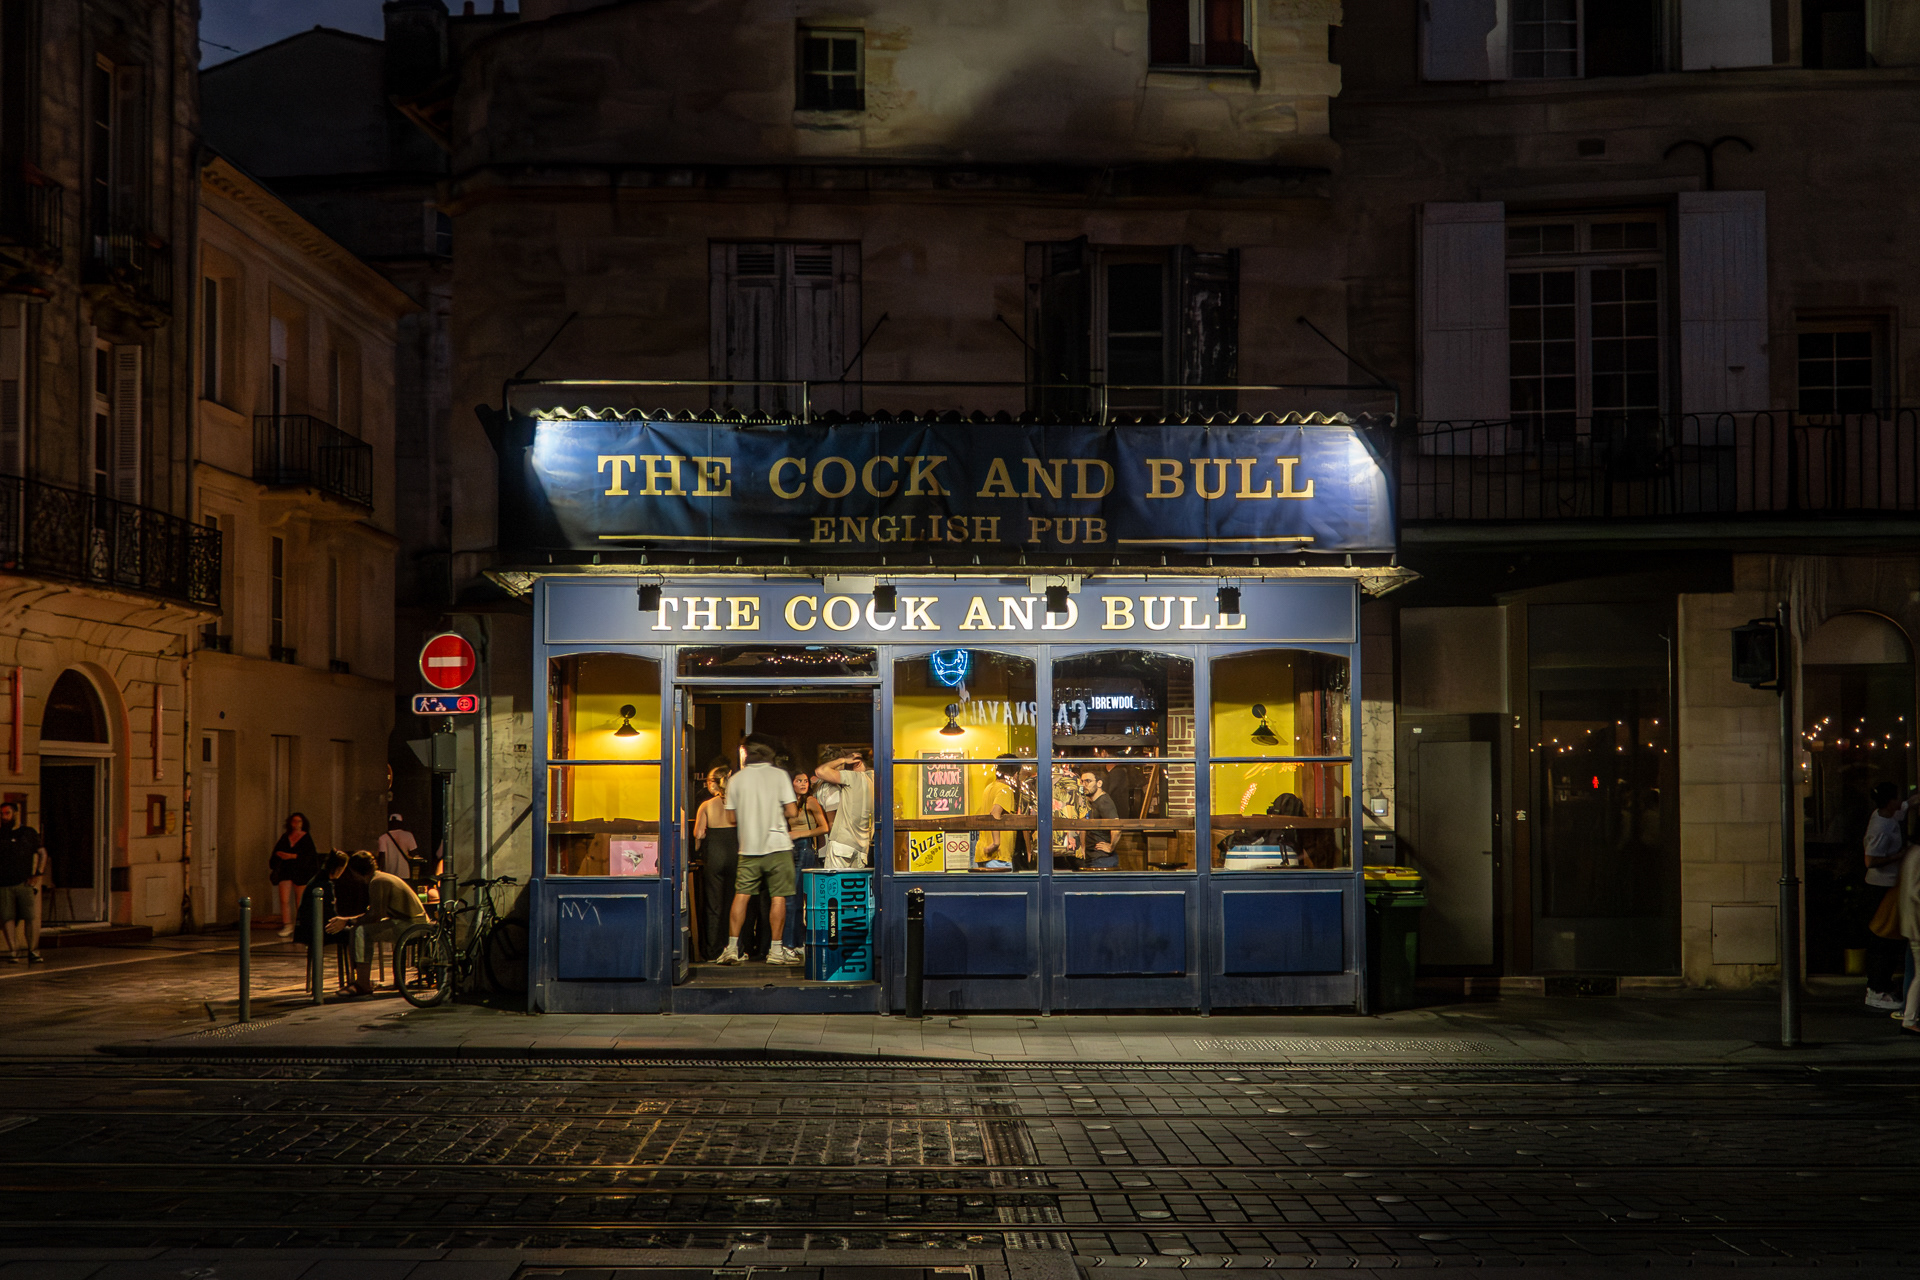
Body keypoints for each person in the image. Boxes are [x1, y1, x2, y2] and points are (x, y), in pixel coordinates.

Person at [720, 736, 799, 966]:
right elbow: (793, 811)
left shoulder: (735, 779)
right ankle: (775, 951)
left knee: (741, 895)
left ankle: (732, 948)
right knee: (778, 898)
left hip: (748, 848)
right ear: (769, 754)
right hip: (778, 847)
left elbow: (731, 817)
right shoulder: (779, 775)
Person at [324, 850, 428, 996]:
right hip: (407, 921)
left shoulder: (377, 882)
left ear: (355, 872)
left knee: (362, 932)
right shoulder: (380, 878)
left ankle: (362, 983)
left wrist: (348, 920)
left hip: (412, 925)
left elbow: (376, 914)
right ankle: (360, 979)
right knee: (358, 929)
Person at [1863, 782, 1911, 1012]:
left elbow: (1904, 808)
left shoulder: (1886, 815)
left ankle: (1881, 985)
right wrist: (1900, 855)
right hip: (1880, 887)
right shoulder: (1880, 826)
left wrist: (1910, 802)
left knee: (1887, 938)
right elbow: (1871, 861)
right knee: (1883, 939)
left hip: (1888, 885)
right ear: (1890, 801)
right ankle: (1876, 989)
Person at [782, 769, 829, 955]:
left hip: (804, 847)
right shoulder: (788, 802)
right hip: (788, 847)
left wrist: (799, 834)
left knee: (795, 896)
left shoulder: (811, 801)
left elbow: (824, 827)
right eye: (799, 780)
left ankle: (790, 944)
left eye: (806, 781)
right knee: (790, 895)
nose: (803, 784)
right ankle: (797, 941)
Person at [693, 763, 736, 961]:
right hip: (735, 853)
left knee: (713, 903)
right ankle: (734, 947)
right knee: (734, 902)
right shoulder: (738, 803)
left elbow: (698, 833)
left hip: (714, 855)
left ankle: (711, 951)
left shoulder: (707, 805)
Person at [0, 801, 46, 963]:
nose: (4, 817)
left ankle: (33, 950)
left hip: (24, 881)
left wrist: (38, 874)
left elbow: (42, 853)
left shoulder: (27, 833)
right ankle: (14, 950)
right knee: (7, 917)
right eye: (2, 814)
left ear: (15, 814)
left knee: (30, 916)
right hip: (4, 882)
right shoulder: (1, 835)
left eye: (7, 813)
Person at [814, 749, 874, 870]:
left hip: (842, 843)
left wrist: (843, 760)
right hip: (862, 847)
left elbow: (820, 771)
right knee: (855, 886)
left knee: (835, 885)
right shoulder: (875, 780)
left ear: (857, 763)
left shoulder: (855, 777)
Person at [268, 812, 319, 939]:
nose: (296, 824)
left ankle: (300, 924)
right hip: (285, 870)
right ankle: (287, 924)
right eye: (294, 821)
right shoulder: (286, 837)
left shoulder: (306, 838)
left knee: (299, 900)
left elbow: (309, 856)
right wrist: (281, 855)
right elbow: (277, 852)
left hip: (301, 871)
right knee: (284, 899)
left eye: (299, 821)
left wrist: (292, 856)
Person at [974, 754, 1023, 871]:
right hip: (998, 855)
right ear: (1015, 774)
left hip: (984, 853)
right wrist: (995, 844)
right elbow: (995, 813)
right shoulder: (1005, 790)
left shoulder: (989, 788)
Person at [1073, 767, 1121, 870]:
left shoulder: (1104, 802)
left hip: (1102, 859)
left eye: (1088, 781)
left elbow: (1117, 828)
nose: (1084, 784)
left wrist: (1111, 847)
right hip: (1092, 857)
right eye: (1082, 781)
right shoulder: (1089, 802)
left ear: (1099, 783)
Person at [376, 814, 418, 881]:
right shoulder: (408, 835)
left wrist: (379, 871)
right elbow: (413, 853)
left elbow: (382, 857)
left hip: (389, 873)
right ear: (401, 823)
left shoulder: (383, 837)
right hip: (404, 873)